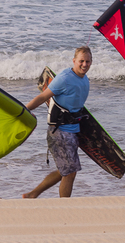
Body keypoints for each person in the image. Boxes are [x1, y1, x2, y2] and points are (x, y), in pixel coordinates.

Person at [22, 46, 93, 199]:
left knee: (64, 171)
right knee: (70, 172)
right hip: (59, 132)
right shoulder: (65, 78)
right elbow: (42, 97)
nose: (84, 65)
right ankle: (64, 207)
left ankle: (32, 195)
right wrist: (23, 110)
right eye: (81, 61)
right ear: (74, 61)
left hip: (73, 131)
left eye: (88, 61)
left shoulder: (84, 78)